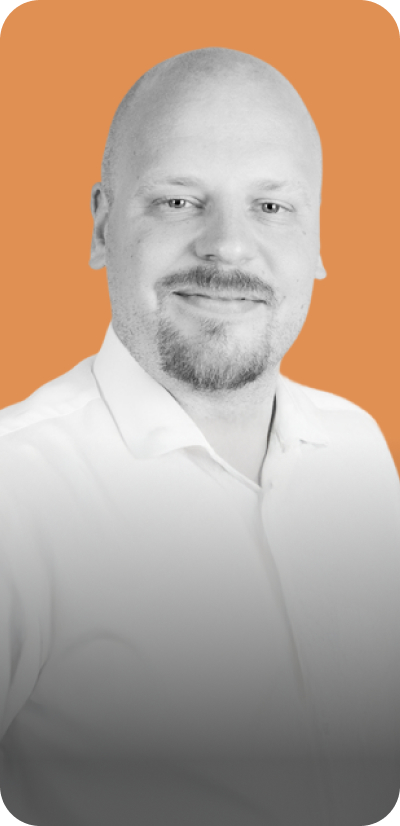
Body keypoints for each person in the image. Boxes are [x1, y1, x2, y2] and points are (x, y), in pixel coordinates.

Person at [0, 47, 399, 826]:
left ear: (318, 241)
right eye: (180, 201)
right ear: (103, 226)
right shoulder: (18, 491)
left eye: (272, 206)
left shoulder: (360, 448)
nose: (228, 247)